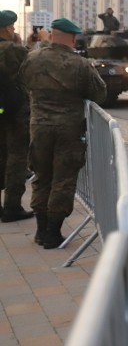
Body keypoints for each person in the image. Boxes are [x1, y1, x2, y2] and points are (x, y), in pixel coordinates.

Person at [19, 18, 107, 248]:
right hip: (68, 129)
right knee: (64, 180)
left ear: (52, 35)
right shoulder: (79, 63)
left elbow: (23, 83)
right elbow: (99, 93)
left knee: (42, 177)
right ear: (72, 37)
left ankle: (40, 230)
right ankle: (53, 232)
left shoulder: (33, 58)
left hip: (38, 127)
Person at [0, 10, 34, 223]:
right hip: (15, 110)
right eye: (12, 27)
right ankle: (12, 206)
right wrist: (28, 45)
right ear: (5, 28)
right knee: (17, 156)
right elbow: (32, 65)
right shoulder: (11, 49)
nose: (14, 30)